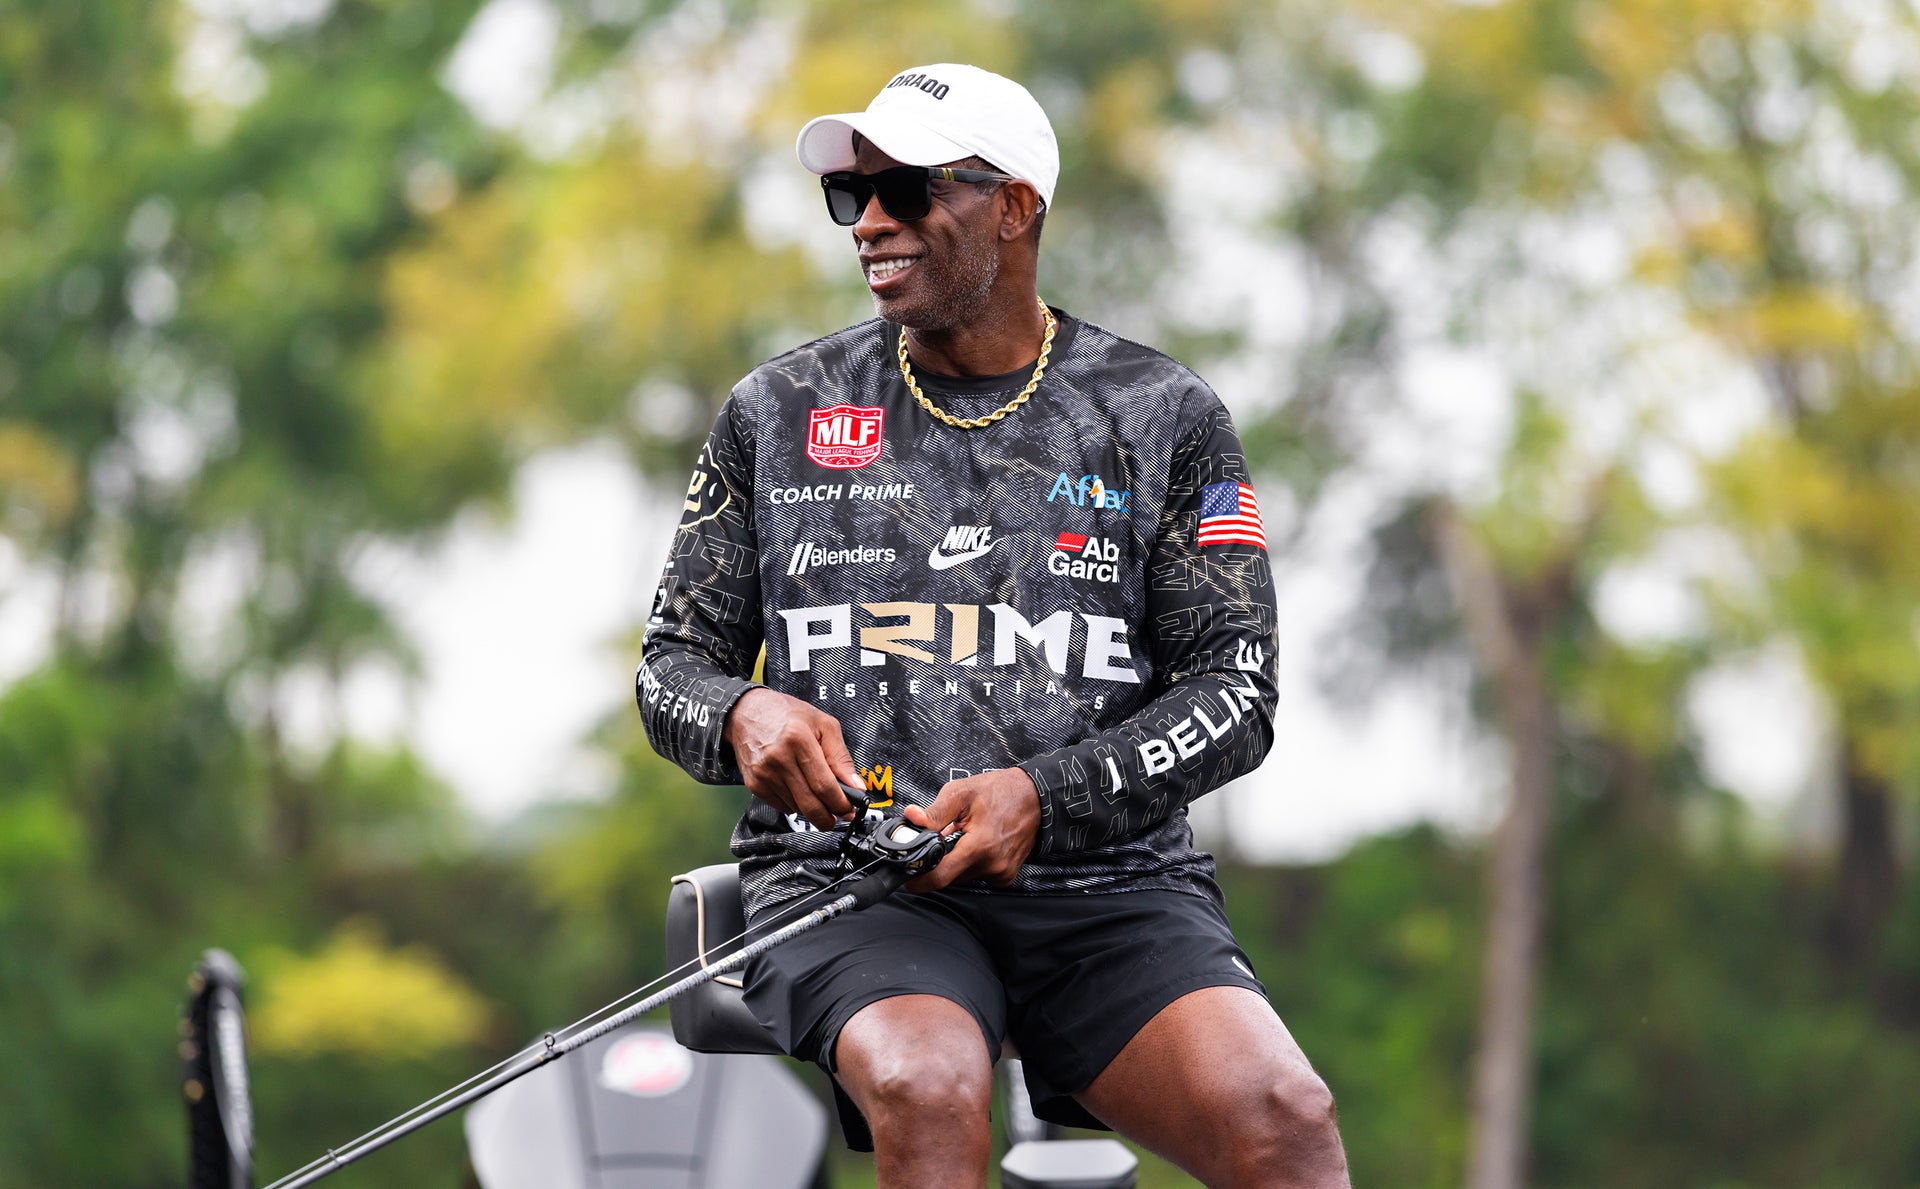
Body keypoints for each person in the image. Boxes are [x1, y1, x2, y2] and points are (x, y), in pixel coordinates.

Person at [637, 62, 1350, 1189]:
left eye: (907, 189)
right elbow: (671, 667)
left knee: (1286, 1117)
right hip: (853, 887)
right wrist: (741, 713)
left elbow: (1236, 694)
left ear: (1014, 205)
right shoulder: (776, 411)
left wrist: (1045, 796)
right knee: (929, 1082)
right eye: (852, 194)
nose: (870, 221)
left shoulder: (1165, 414)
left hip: (1111, 892)